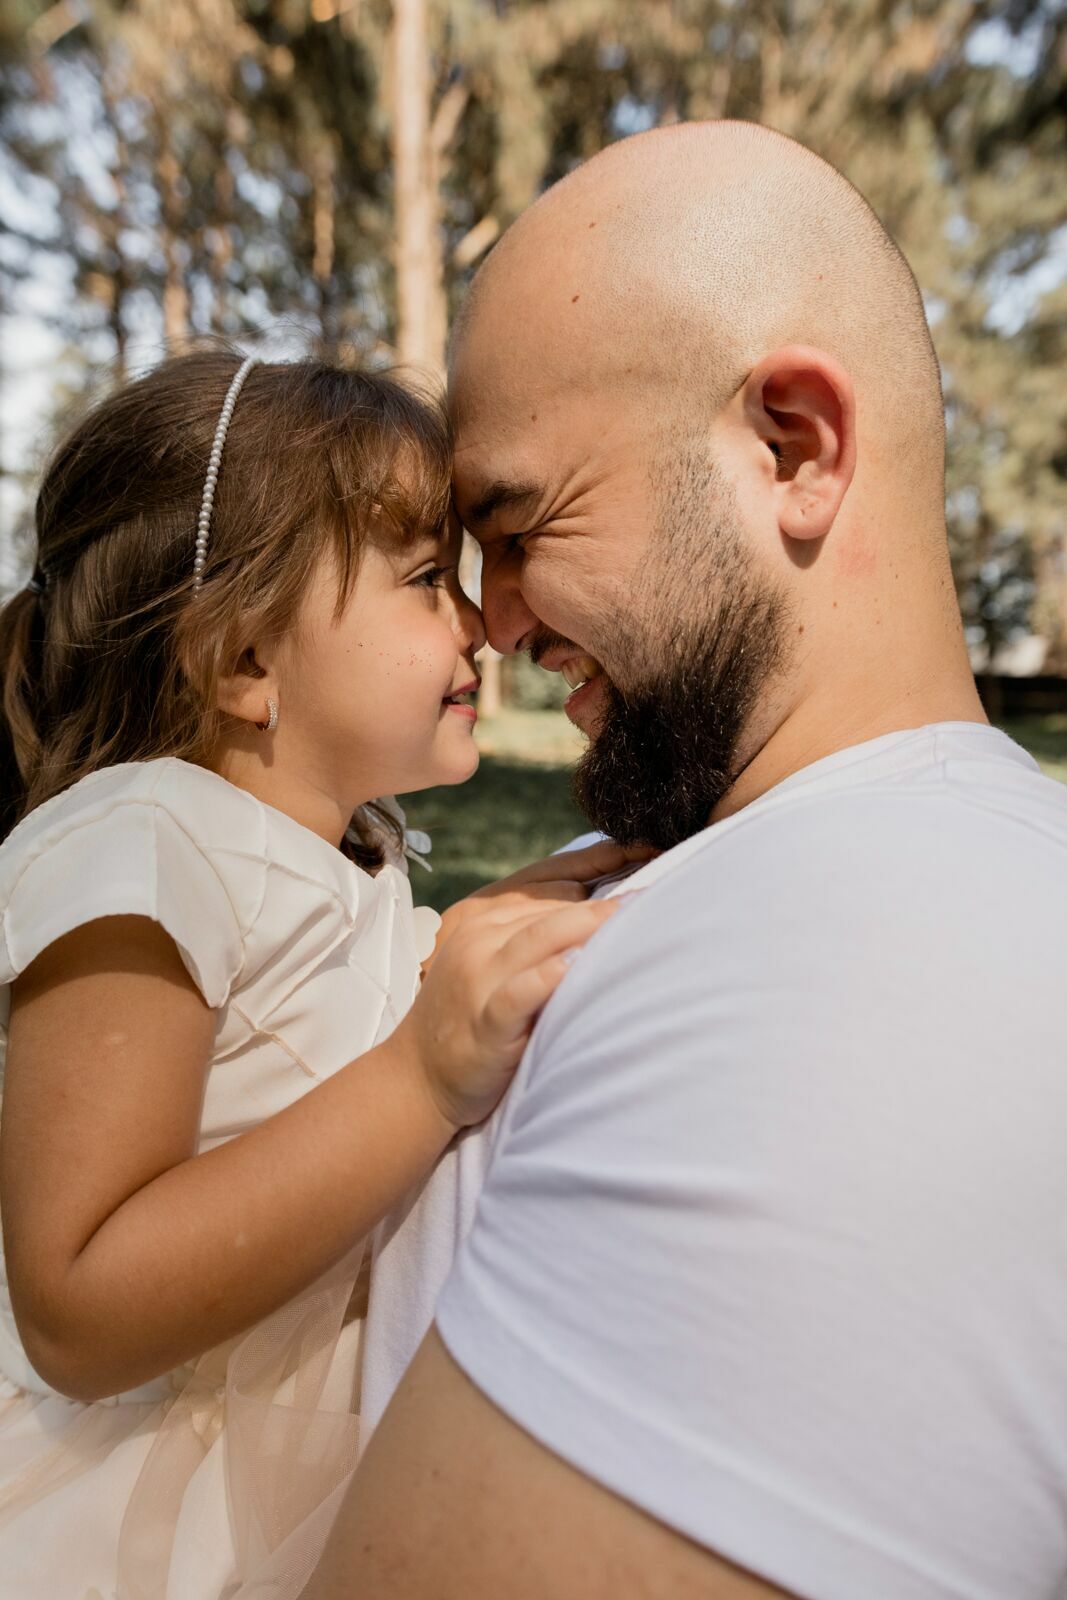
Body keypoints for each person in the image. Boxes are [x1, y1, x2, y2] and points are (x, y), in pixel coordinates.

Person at [308, 121, 1067, 1598]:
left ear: (790, 446)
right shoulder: (787, 865)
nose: (497, 624)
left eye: (518, 524)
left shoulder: (848, 973)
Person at [0, 349, 641, 1598]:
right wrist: (420, 1076)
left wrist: (487, 926)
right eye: (422, 580)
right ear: (242, 659)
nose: (475, 621)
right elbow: (76, 1301)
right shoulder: (138, 840)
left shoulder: (346, 866)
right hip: (121, 1537)